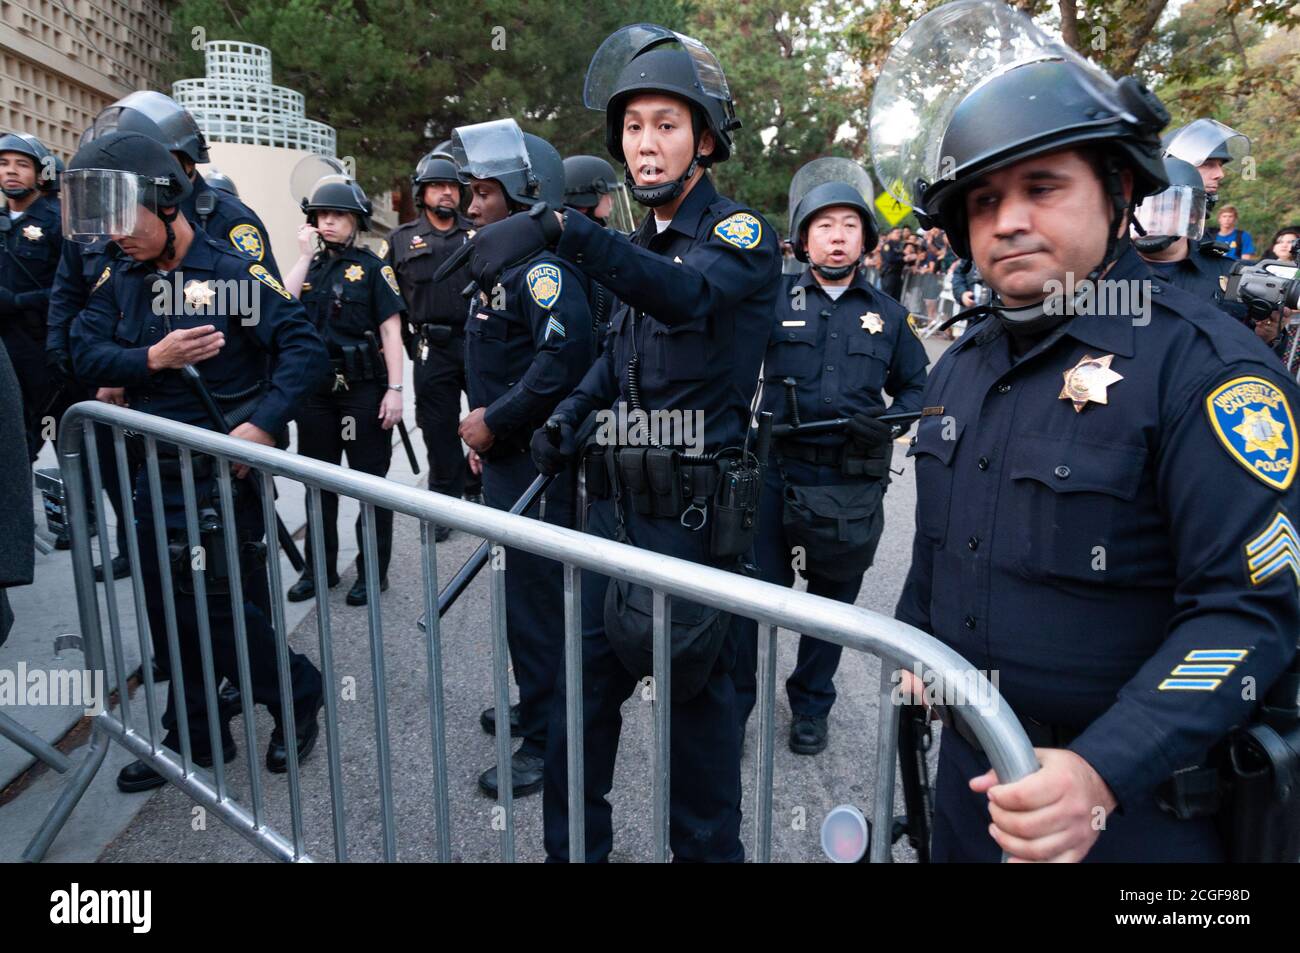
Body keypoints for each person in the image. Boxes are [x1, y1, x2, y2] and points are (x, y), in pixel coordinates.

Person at [873, 0, 1297, 861]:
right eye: (984, 200)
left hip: (1131, 816)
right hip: (968, 793)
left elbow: (1248, 617)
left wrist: (1102, 770)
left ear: (1118, 191)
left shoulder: (1207, 371)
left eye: (1043, 187)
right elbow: (941, 547)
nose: (1009, 220)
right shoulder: (960, 363)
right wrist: (917, 645)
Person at [456, 25, 781, 860]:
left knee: (701, 771)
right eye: (633, 126)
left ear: (704, 137)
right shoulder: (638, 246)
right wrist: (570, 412)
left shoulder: (739, 238)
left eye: (666, 123)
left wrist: (567, 231)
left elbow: (680, 299)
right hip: (610, 523)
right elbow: (616, 354)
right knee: (576, 727)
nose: (647, 142)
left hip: (696, 535)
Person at [65, 131, 326, 790]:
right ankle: (196, 733)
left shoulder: (232, 273)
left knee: (220, 610)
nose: (115, 236)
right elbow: (82, 351)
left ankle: (296, 691)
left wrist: (262, 427)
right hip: (148, 476)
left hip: (214, 476)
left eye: (126, 219)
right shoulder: (121, 279)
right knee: (164, 609)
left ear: (167, 199)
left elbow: (304, 352)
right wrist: (149, 360)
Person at [732, 157, 928, 754]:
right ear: (802, 238)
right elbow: (731, 371)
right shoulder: (768, 302)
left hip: (847, 478)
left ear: (866, 239)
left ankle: (812, 705)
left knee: (831, 605)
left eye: (848, 225)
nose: (837, 236)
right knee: (750, 599)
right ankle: (734, 708)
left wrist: (888, 423)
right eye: (824, 225)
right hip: (772, 471)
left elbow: (920, 387)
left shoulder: (891, 316)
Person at [446, 118, 595, 798]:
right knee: (520, 603)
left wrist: (496, 423)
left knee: (540, 610)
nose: (470, 206)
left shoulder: (542, 271)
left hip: (542, 468)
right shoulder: (500, 266)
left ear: (526, 195)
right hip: (507, 459)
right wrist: (485, 433)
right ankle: (534, 706)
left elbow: (561, 359)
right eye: (469, 193)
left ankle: (547, 743)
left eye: (483, 193)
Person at [283, 170, 407, 606]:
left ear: (356, 221)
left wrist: (395, 390)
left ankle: (372, 573)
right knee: (319, 484)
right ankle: (318, 571)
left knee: (368, 485)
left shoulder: (374, 268)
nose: (329, 222)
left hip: (363, 390)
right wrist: (301, 256)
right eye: (322, 215)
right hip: (316, 392)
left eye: (338, 215)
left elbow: (391, 333)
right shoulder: (309, 267)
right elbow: (284, 306)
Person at [387, 147, 477, 540]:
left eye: (452, 187)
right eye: (437, 186)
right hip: (430, 348)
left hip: (478, 343)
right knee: (437, 429)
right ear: (421, 193)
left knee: (490, 419)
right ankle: (445, 501)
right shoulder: (400, 240)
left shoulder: (480, 233)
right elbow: (386, 298)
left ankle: (486, 487)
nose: (446, 193)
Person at [0, 131, 62, 460]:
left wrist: (18, 301)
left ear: (40, 174)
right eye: (3, 163)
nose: (11, 171)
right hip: (5, 351)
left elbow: (74, 291)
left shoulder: (57, 222)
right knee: (13, 449)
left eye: (22, 164)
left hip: (43, 352)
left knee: (60, 441)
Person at [1131, 154, 1246, 322]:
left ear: (1192, 214)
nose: (1152, 216)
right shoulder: (1105, 273)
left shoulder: (1230, 274)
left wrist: (1269, 336)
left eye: (1165, 207)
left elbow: (1245, 340)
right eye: (1143, 207)